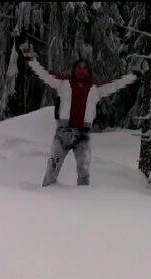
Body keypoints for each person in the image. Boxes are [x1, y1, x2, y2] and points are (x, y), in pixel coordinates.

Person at [19, 42, 137, 186]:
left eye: (85, 68)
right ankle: (45, 195)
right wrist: (31, 59)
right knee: (53, 167)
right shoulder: (63, 83)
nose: (81, 70)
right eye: (79, 67)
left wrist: (134, 75)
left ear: (89, 71)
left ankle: (83, 202)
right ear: (74, 69)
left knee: (84, 170)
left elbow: (116, 84)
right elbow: (44, 74)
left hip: (83, 136)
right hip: (62, 133)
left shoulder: (96, 88)